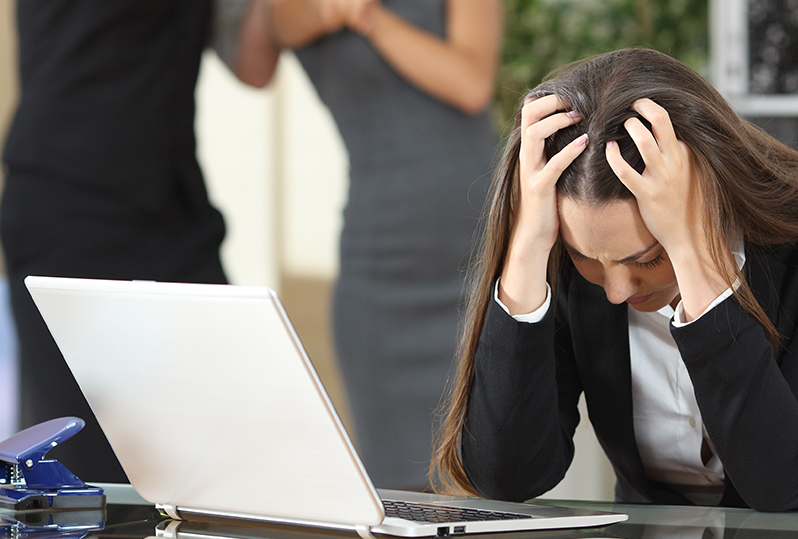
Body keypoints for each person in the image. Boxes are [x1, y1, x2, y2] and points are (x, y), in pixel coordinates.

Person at [433, 48, 798, 515]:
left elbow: (781, 482)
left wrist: (693, 250)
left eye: (647, 258)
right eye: (587, 259)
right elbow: (508, 479)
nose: (616, 291)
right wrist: (526, 250)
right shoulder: (567, 249)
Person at [233, 0, 503, 490]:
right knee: (395, 488)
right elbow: (260, 52)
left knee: (494, 478)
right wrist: (330, 10)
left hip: (478, 244)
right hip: (382, 257)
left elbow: (470, 84)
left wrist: (368, 18)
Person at [0, 0, 269, 483]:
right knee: (87, 479)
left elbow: (253, 65)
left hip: (176, 209)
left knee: (235, 456)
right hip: (68, 205)